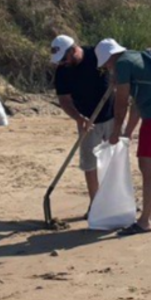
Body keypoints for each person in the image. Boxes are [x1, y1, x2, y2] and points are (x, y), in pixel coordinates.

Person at [94, 38, 151, 236]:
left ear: (110, 57)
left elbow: (121, 102)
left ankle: (144, 221)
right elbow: (138, 102)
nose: (106, 68)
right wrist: (128, 132)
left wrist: (116, 132)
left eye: (106, 64)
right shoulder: (137, 56)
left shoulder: (122, 64)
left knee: (146, 166)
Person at [50, 35, 115, 202]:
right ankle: (96, 203)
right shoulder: (62, 71)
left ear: (73, 50)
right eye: (60, 61)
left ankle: (118, 199)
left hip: (112, 117)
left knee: (115, 160)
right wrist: (79, 118)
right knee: (90, 164)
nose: (62, 63)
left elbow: (116, 67)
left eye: (64, 58)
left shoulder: (97, 54)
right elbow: (64, 100)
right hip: (87, 122)